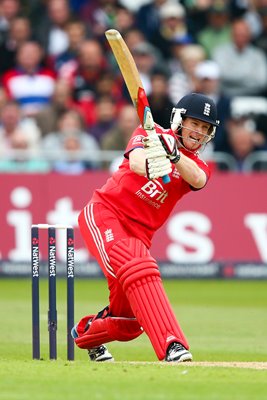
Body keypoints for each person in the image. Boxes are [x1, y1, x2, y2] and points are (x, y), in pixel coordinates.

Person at [71, 92, 219, 362]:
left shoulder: (197, 165)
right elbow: (137, 163)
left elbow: (197, 179)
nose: (199, 132)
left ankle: (85, 334)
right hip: (105, 215)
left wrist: (173, 156)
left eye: (206, 128)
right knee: (142, 266)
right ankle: (172, 344)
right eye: (195, 124)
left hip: (139, 235)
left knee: (129, 323)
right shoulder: (148, 133)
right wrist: (156, 156)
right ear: (179, 120)